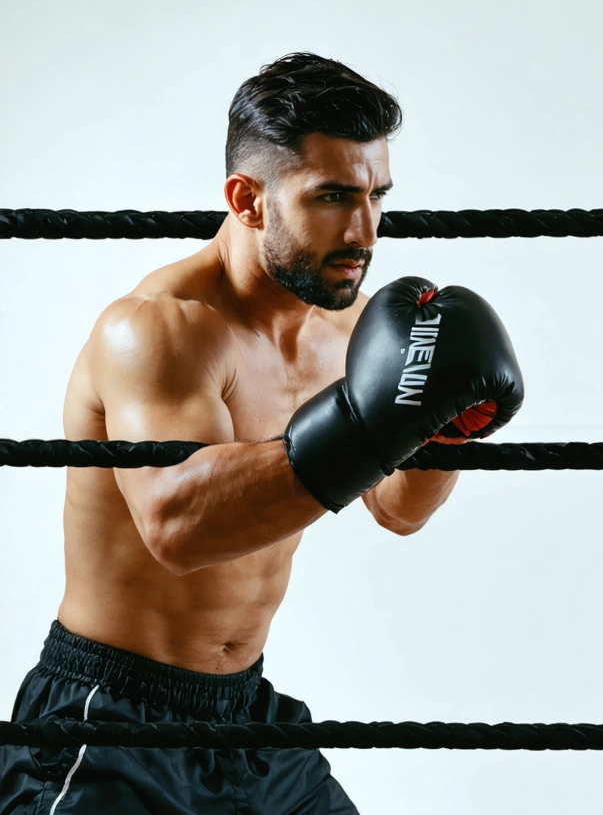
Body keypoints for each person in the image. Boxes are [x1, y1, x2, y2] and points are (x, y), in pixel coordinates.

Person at [0, 52, 524, 814]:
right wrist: (368, 424)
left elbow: (400, 510)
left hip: (245, 719)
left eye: (377, 195)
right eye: (333, 197)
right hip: (108, 718)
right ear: (247, 199)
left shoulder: (353, 327)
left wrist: (446, 431)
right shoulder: (158, 331)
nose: (364, 229)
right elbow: (179, 529)